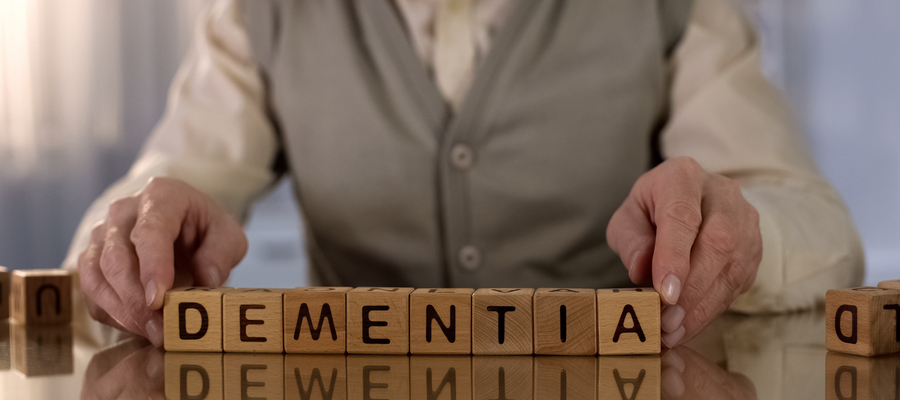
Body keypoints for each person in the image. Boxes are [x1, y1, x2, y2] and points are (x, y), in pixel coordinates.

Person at [64, 0, 864, 349]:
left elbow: (820, 229)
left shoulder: (679, 6)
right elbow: (140, 205)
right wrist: (132, 244)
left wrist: (741, 231)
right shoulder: (258, 12)